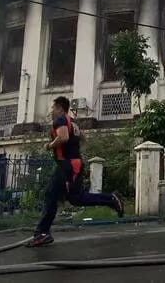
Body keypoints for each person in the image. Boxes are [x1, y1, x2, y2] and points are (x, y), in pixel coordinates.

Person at [26, 96, 124, 247]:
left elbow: (63, 137)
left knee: (51, 194)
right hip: (73, 163)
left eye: (53, 108)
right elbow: (83, 138)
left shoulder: (60, 120)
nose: (51, 111)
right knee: (75, 198)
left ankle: (42, 233)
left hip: (68, 165)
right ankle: (111, 199)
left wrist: (50, 145)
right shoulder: (72, 122)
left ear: (59, 108)